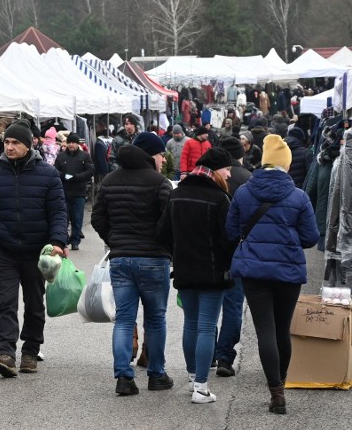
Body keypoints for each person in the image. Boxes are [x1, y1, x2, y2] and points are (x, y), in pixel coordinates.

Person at [226, 135, 319, 414]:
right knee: (282, 329)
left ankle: (275, 391)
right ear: (285, 165)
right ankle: (282, 382)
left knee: (264, 328)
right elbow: (311, 237)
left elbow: (231, 232)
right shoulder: (299, 196)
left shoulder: (243, 192)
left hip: (254, 271)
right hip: (288, 270)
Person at [0, 120, 67, 377]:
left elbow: (58, 211)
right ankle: (5, 353)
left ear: (29, 145)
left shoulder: (48, 175)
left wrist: (58, 242)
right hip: (3, 249)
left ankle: (30, 350)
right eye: (7, 142)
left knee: (35, 303)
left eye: (16, 142)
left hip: (37, 251)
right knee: (5, 302)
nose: (10, 146)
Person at [91, 131, 174, 396]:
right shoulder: (159, 182)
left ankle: (124, 377)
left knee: (124, 320)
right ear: (151, 156)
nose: (163, 160)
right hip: (154, 259)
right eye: (161, 155)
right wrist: (162, 244)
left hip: (121, 259)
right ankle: (156, 374)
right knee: (156, 318)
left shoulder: (110, 180)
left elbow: (97, 218)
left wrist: (114, 240)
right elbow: (169, 220)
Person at [159, 148, 236, 404]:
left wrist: (178, 253)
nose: (230, 173)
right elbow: (230, 238)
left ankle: (193, 376)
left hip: (184, 270)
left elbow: (163, 233)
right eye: (226, 169)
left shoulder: (177, 194)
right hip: (214, 274)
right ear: (215, 171)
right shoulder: (220, 199)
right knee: (206, 326)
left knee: (191, 324)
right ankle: (201, 388)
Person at [213, 137, 254, 377]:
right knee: (233, 305)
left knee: (208, 306)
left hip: (210, 252)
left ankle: (207, 354)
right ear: (240, 155)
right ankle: (225, 357)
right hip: (238, 252)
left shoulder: (208, 176)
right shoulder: (249, 179)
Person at [54, 132, 94, 251]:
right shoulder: (61, 156)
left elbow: (90, 170)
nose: (71, 145)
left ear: (78, 144)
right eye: (69, 142)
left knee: (77, 218)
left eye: (74, 142)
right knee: (63, 218)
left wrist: (78, 177)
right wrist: (64, 176)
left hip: (79, 193)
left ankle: (75, 240)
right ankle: (64, 239)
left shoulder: (85, 156)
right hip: (64, 192)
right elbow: (55, 170)